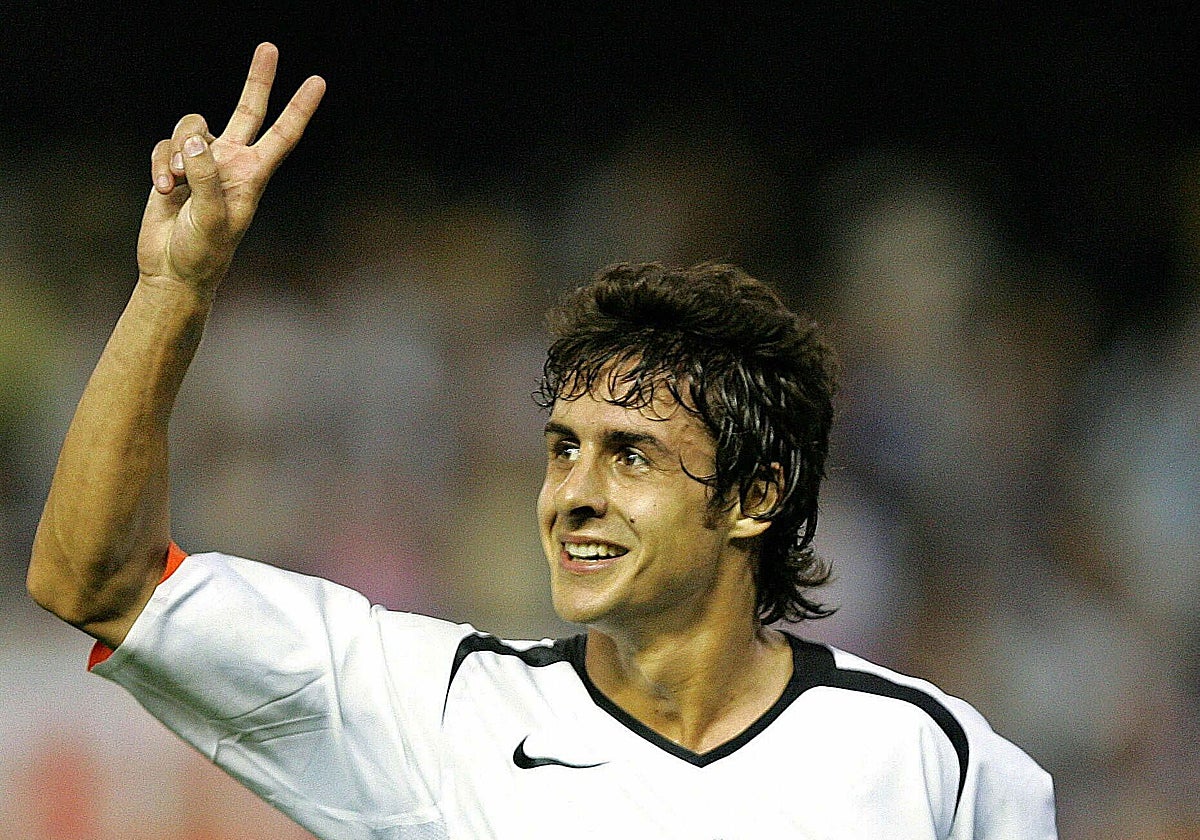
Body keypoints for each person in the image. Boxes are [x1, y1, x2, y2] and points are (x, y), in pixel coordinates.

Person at [27, 44, 1057, 840]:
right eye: (563, 448)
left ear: (756, 495)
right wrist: (173, 288)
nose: (573, 493)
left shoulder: (935, 762)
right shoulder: (438, 713)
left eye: (631, 454)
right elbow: (97, 582)